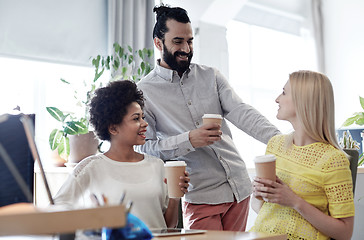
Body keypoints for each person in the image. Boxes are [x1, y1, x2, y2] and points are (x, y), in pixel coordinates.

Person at [136, 5, 280, 231]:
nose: (186, 48)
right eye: (177, 41)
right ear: (158, 42)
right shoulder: (145, 91)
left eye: (190, 41)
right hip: (200, 194)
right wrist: (189, 139)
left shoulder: (211, 75)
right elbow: (145, 148)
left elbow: (242, 112)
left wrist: (281, 141)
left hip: (238, 187)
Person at [53, 80, 190, 229]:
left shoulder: (157, 166)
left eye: (143, 117)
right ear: (113, 128)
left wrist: (175, 198)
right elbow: (56, 211)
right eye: (136, 119)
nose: (144, 124)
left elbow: (168, 227)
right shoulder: (90, 168)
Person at [250, 70, 355, 240]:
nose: (277, 99)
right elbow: (260, 209)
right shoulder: (275, 145)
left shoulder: (334, 160)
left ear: (303, 102)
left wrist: (295, 202)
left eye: (284, 93)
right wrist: (258, 193)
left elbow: (345, 233)